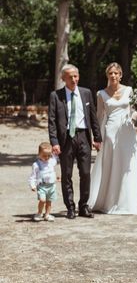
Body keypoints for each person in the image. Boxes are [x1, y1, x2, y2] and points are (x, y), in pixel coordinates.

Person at [48, 64, 102, 219]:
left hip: (84, 136)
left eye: (75, 76)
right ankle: (70, 207)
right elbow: (52, 121)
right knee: (66, 175)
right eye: (70, 77)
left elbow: (92, 117)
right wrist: (54, 142)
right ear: (63, 78)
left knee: (85, 173)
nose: (73, 79)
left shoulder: (86, 93)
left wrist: (97, 138)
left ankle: (84, 206)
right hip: (66, 140)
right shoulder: (56, 96)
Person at [88, 62, 137, 214]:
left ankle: (126, 201)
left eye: (116, 73)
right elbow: (99, 116)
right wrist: (96, 137)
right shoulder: (101, 94)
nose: (113, 76)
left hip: (127, 132)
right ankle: (109, 201)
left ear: (120, 75)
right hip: (110, 132)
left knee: (126, 165)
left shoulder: (129, 90)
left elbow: (134, 110)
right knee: (112, 164)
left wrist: (133, 118)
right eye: (110, 73)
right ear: (107, 75)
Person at [28, 141, 59, 222]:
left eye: (49, 155)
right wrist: (32, 185)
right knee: (42, 200)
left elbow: (55, 158)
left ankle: (47, 214)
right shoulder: (36, 165)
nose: (47, 157)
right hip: (42, 186)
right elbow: (33, 176)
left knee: (49, 201)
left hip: (51, 186)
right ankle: (39, 213)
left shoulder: (51, 161)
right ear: (39, 154)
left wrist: (56, 153)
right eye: (44, 155)